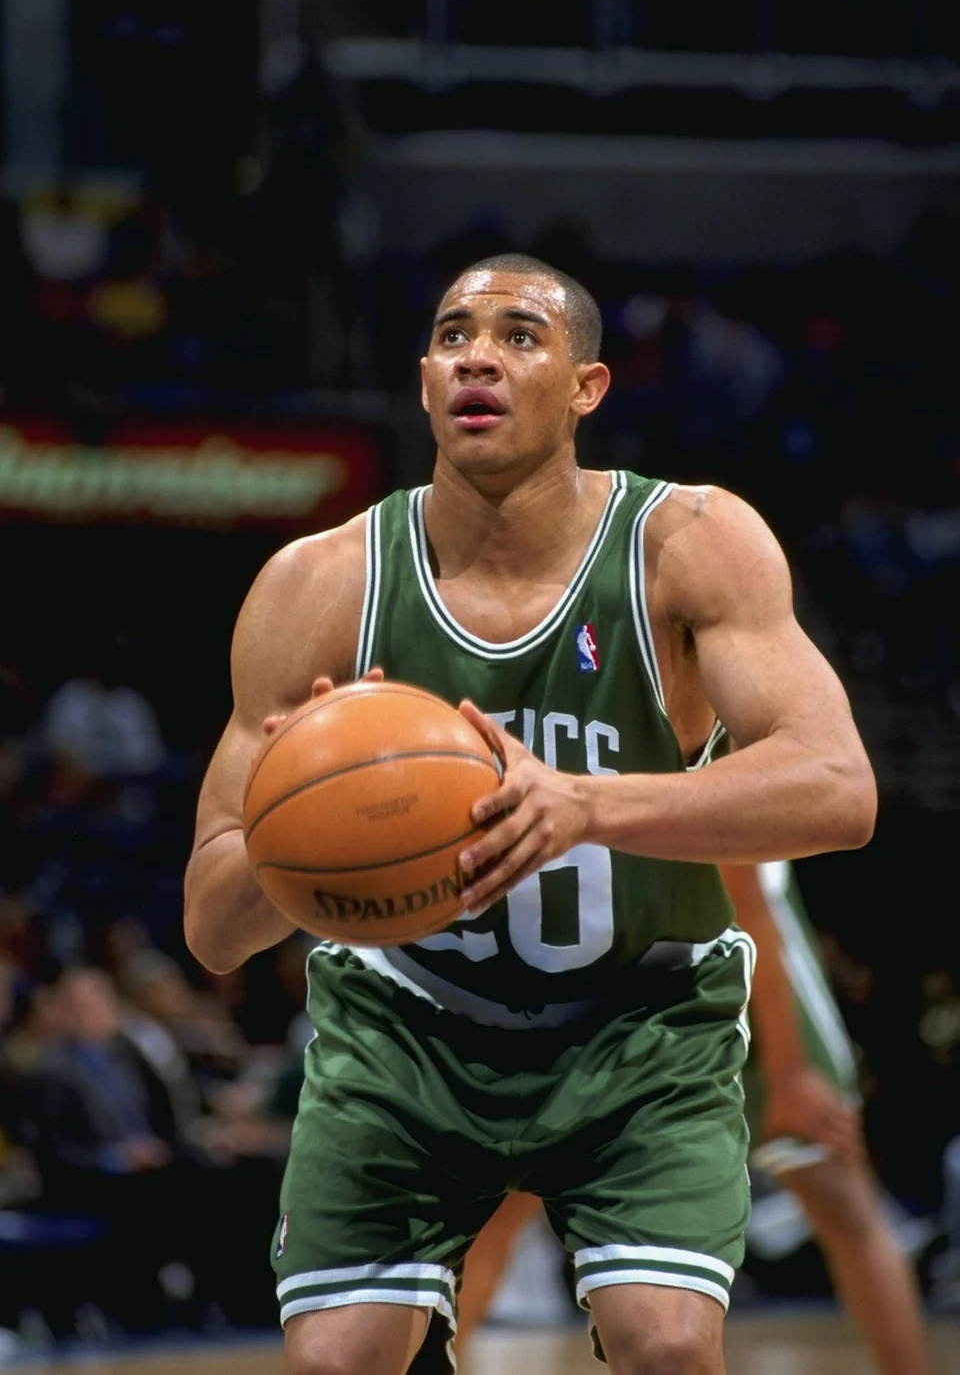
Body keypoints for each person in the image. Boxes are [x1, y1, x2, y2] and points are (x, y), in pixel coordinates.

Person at [183, 252, 876, 1375]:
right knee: (334, 1362)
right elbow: (212, 930)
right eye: (456, 335)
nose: (480, 358)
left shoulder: (688, 543)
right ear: (421, 383)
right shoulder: (319, 586)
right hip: (404, 1028)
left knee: (665, 1346)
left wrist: (586, 805)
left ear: (586, 387)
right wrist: (303, 814)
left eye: (519, 336)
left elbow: (839, 789)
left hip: (640, 1022)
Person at [454, 860, 935, 1375]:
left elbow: (743, 878)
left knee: (839, 1192)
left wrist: (790, 1071)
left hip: (746, 942)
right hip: (620, 941)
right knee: (510, 1198)